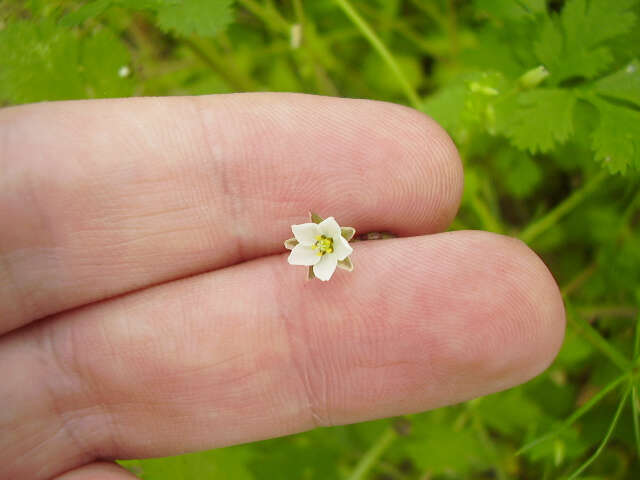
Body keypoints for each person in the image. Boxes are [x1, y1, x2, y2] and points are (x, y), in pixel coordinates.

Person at [0, 93, 565, 480]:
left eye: (328, 244)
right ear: (320, 242)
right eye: (323, 244)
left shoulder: (329, 244)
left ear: (335, 242)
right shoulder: (315, 245)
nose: (324, 247)